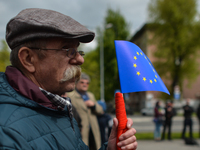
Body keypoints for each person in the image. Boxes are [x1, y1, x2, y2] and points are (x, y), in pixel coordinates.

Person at [0, 8, 137, 150]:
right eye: (68, 50)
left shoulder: (54, 106)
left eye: (78, 50)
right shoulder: (7, 133)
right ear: (28, 59)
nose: (80, 59)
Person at [67, 73, 103, 150]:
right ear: (76, 83)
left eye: (87, 83)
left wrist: (93, 105)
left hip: (93, 130)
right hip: (80, 130)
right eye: (82, 82)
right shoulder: (71, 95)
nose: (85, 84)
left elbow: (100, 111)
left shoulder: (91, 95)